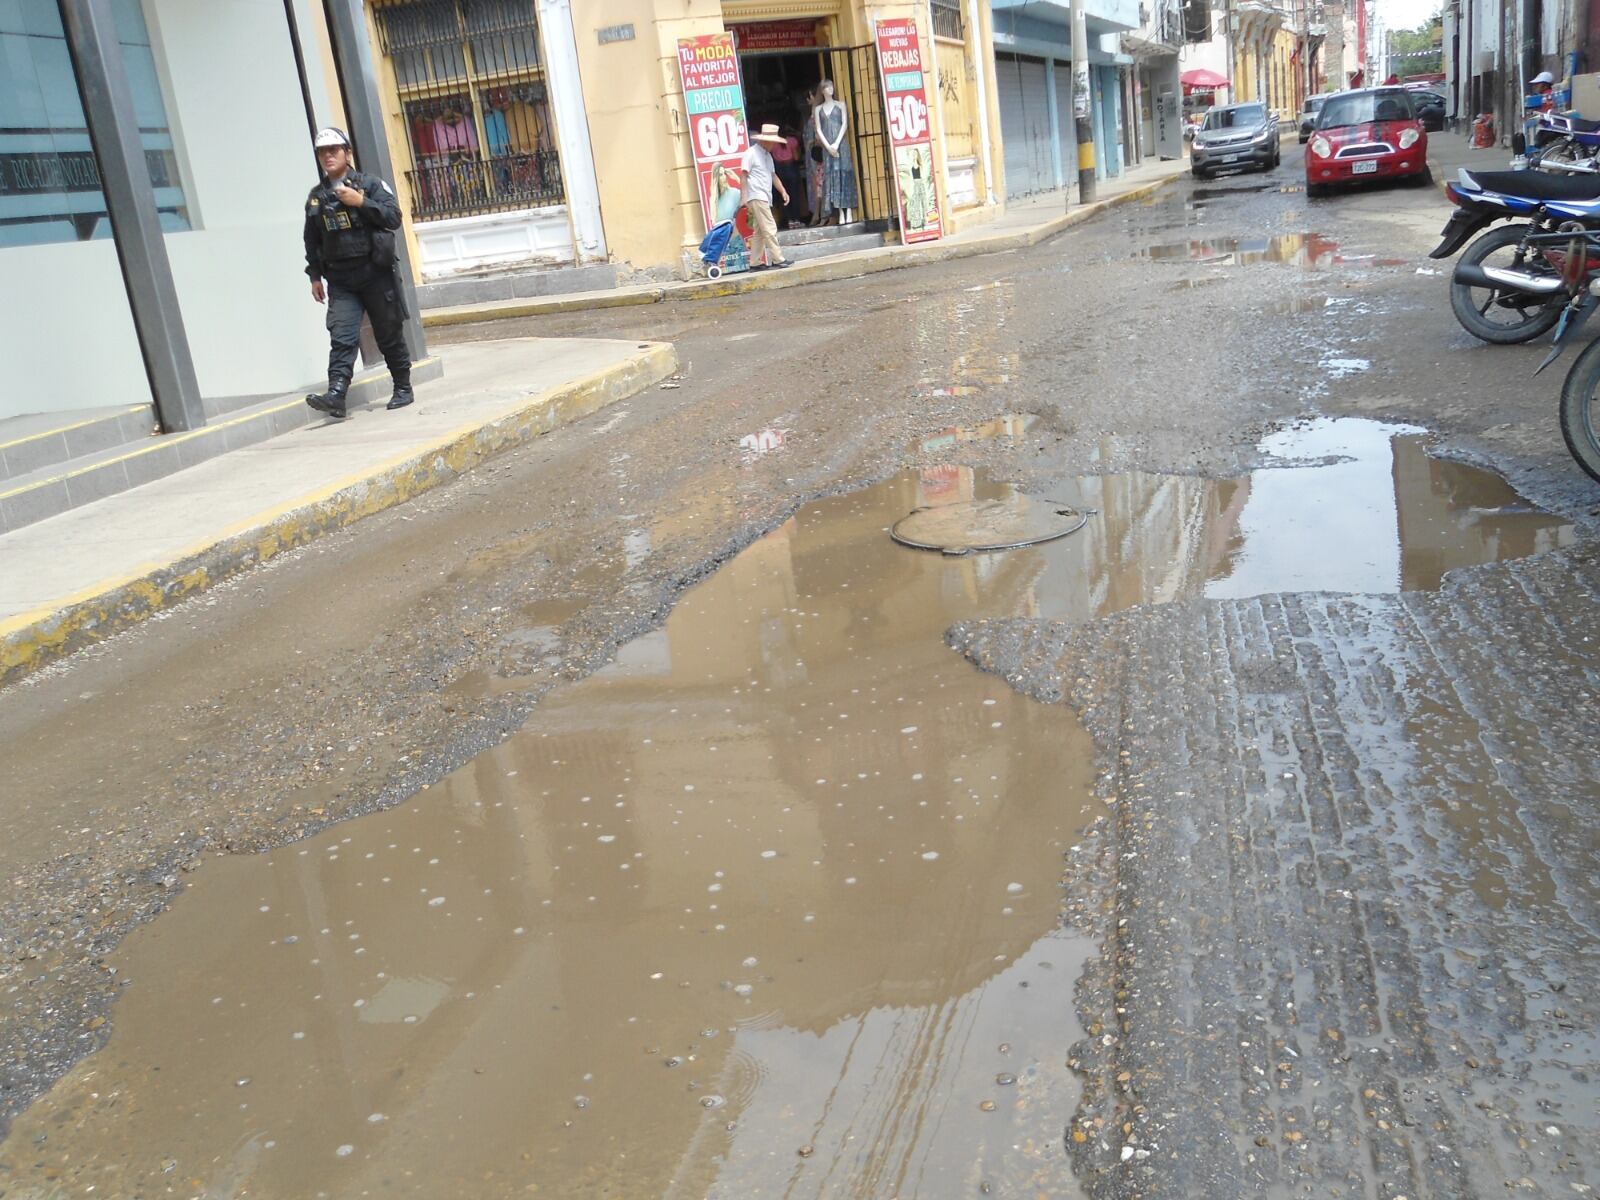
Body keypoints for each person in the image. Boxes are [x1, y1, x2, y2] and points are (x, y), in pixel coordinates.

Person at [302, 127, 412, 419]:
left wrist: (361, 202)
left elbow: (393, 218)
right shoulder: (317, 197)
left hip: (375, 272)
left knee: (388, 332)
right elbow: (311, 240)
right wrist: (314, 275)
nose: (328, 156)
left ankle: (402, 386)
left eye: (334, 150)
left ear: (347, 153)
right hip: (341, 278)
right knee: (342, 336)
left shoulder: (370, 185)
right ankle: (337, 394)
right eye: (323, 152)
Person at [740, 123, 791, 270]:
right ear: (765, 140)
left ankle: (755, 262)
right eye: (773, 142)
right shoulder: (751, 153)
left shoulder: (767, 156)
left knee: (760, 232)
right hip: (756, 195)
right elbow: (743, 175)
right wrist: (744, 197)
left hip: (764, 195)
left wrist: (783, 191)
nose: (774, 145)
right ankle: (778, 259)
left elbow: (773, 175)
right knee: (769, 227)